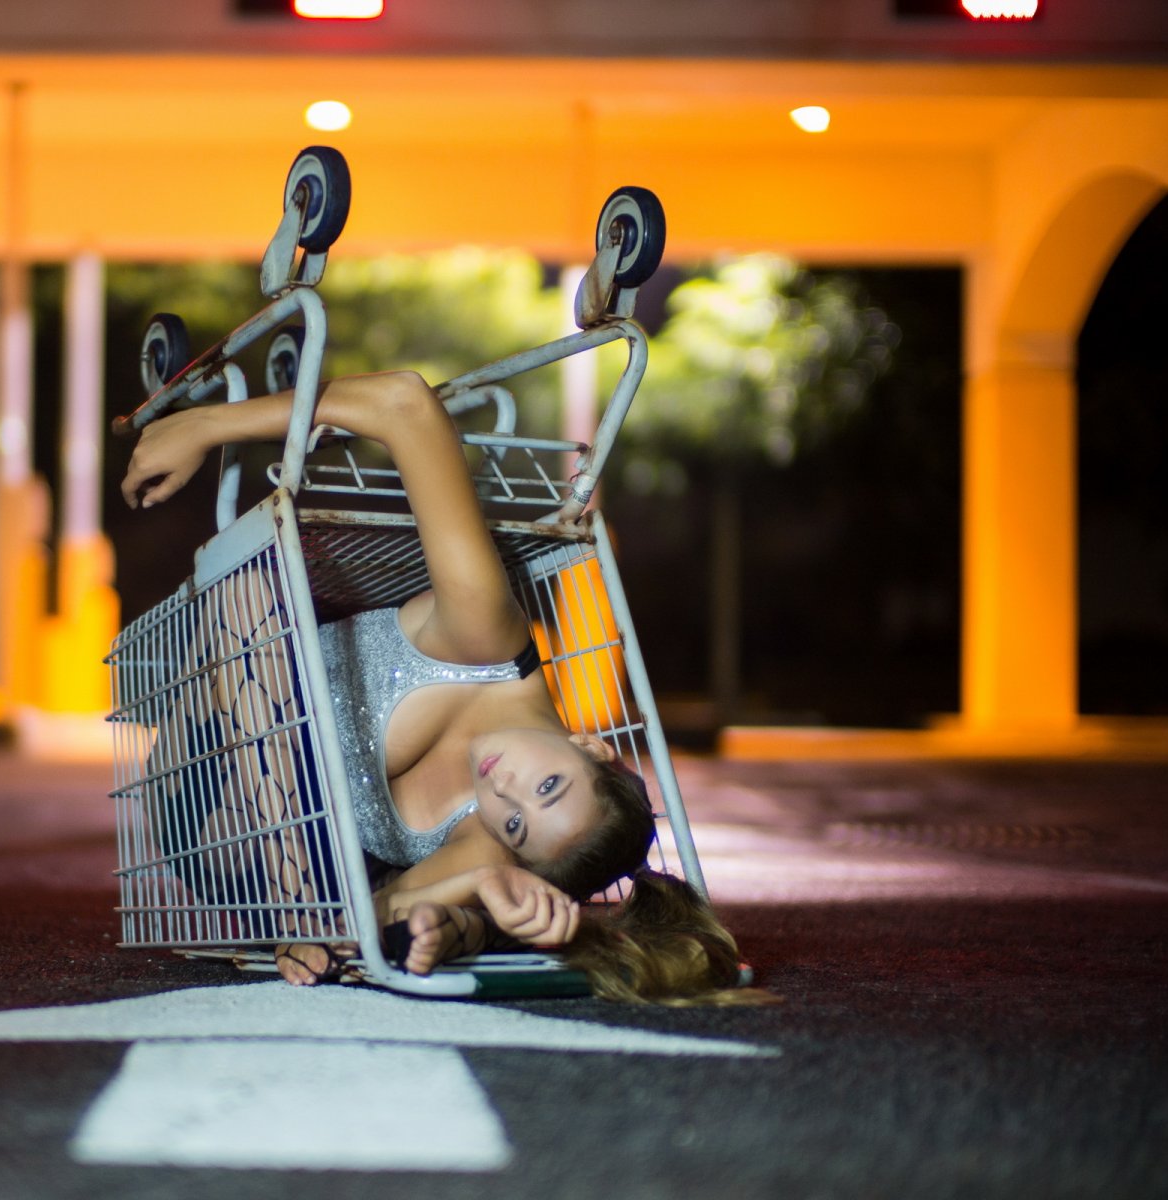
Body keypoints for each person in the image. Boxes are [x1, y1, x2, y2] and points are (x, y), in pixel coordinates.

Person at [124, 369, 755, 1004]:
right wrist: (205, 424)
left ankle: (327, 911)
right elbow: (405, 405)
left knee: (415, 902)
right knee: (251, 588)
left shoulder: (483, 846)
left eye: (516, 824)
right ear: (592, 746)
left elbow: (372, 911)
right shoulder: (483, 634)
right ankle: (326, 909)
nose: (504, 788)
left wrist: (467, 895)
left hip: (234, 858)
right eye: (547, 786)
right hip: (204, 758)